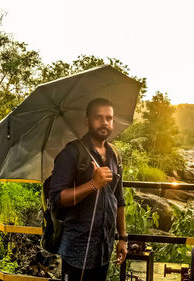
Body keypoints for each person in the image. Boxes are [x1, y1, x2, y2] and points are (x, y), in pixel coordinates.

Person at [49, 98, 127, 281]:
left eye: (109, 118)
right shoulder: (71, 153)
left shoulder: (114, 155)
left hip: (103, 249)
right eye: (98, 117)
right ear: (87, 120)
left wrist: (122, 238)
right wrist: (93, 184)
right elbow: (57, 198)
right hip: (77, 249)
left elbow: (119, 199)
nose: (104, 122)